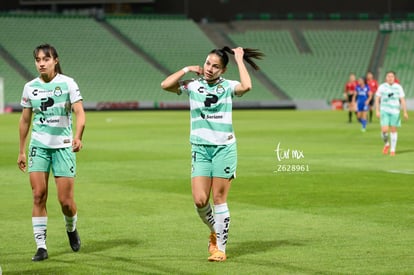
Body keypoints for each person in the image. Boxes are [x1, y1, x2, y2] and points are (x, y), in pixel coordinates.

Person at [160, 46, 263, 262]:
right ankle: (215, 231)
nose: (210, 69)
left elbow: (247, 86)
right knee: (199, 200)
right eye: (208, 63)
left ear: (223, 70)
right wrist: (187, 68)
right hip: (200, 148)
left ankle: (220, 249)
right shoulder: (193, 85)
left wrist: (239, 59)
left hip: (224, 148)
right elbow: (165, 85)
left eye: (216, 66)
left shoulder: (228, 86)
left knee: (219, 199)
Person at [17, 44, 85, 261]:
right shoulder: (30, 87)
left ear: (55, 60)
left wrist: (78, 136)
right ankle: (41, 247)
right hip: (39, 146)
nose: (41, 64)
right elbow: (25, 119)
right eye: (38, 60)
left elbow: (80, 113)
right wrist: (21, 150)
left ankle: (71, 228)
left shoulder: (68, 83)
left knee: (65, 201)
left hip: (63, 146)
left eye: (45, 59)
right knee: (38, 195)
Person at [375, 71, 408, 156]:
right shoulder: (382, 87)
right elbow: (377, 99)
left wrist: (405, 112)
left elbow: (402, 100)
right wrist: (377, 110)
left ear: (394, 78)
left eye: (392, 76)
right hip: (384, 111)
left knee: (393, 129)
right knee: (384, 130)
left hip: (395, 111)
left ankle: (393, 150)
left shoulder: (398, 87)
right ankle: (386, 144)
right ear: (386, 78)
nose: (390, 78)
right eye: (388, 76)